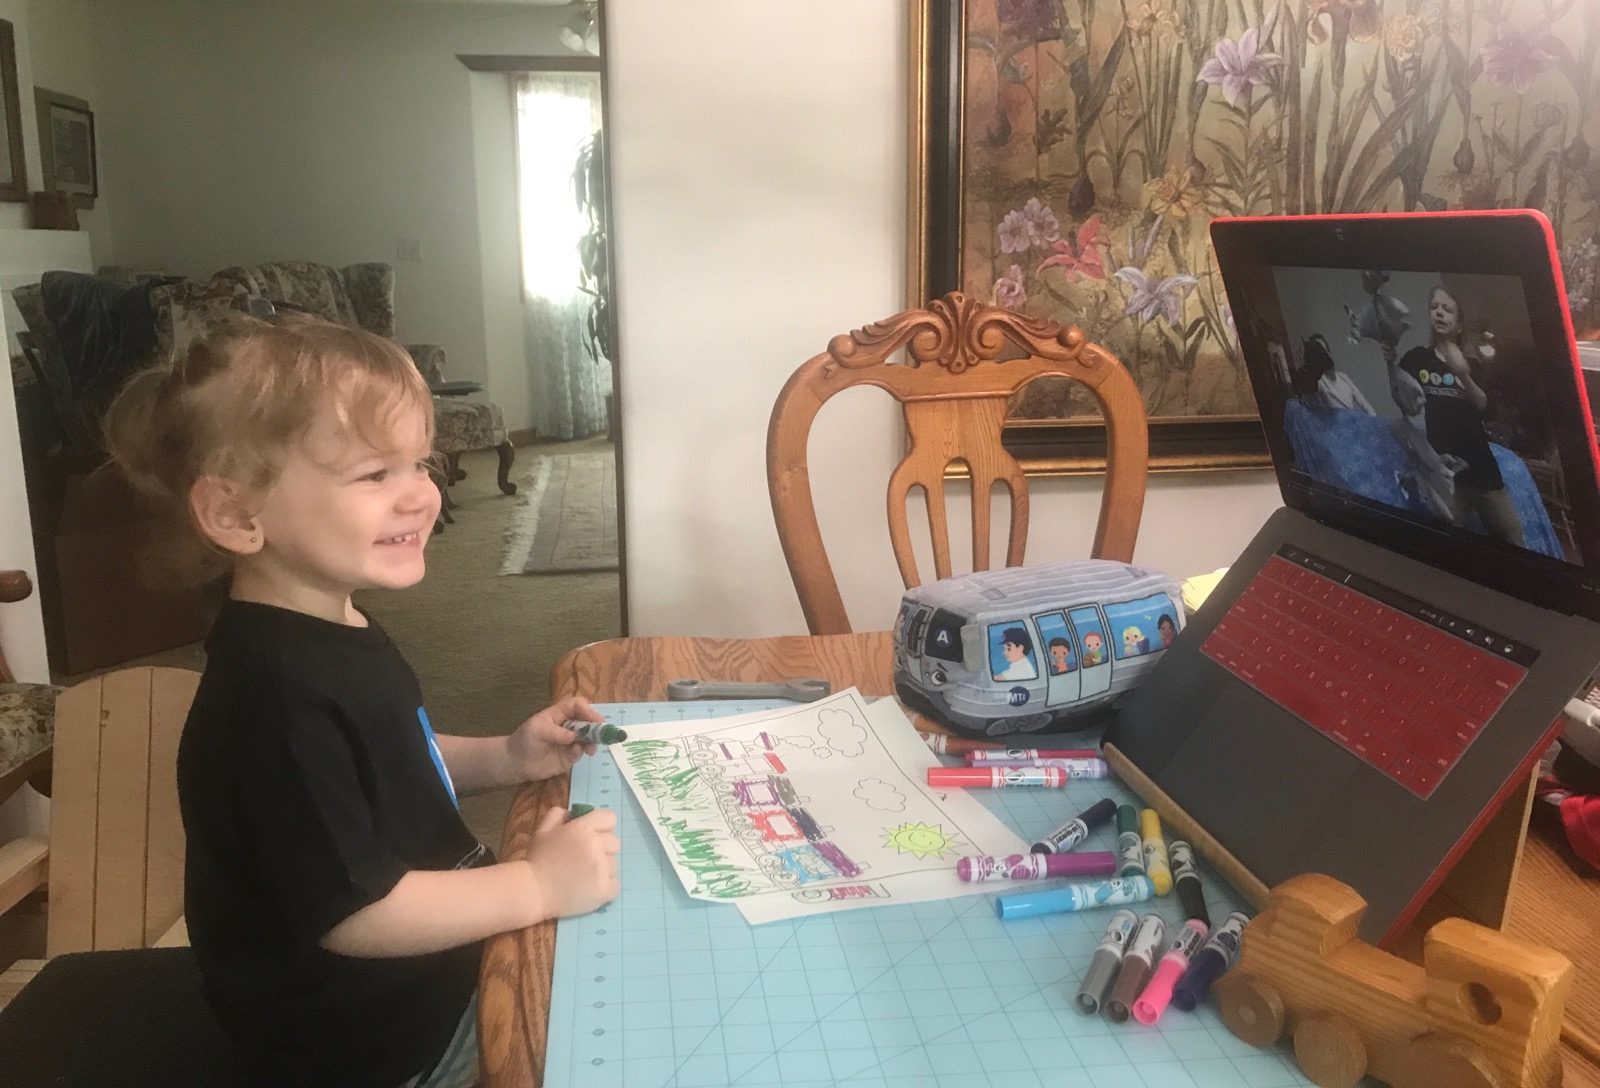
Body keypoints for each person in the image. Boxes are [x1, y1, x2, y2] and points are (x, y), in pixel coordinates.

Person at [102, 314, 622, 1088]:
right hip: (380, 1040)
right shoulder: (272, 699)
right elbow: (358, 915)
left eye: (420, 463)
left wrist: (507, 756)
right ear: (237, 515)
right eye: (374, 475)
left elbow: (388, 757)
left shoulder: (330, 617)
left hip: (427, 969)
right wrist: (536, 885)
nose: (421, 495)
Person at [1383, 285, 1524, 547]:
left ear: (1459, 325)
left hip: (1482, 471)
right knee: (1443, 547)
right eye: (1434, 307)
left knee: (1513, 537)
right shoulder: (1417, 358)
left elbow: (1485, 407)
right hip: (1443, 475)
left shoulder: (1474, 364)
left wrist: (1463, 373)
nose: (1439, 313)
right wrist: (1390, 364)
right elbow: (1400, 398)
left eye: (1447, 309)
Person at [1297, 332, 1375, 414]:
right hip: (1331, 425)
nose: (1326, 355)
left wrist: (1375, 420)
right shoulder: (1318, 382)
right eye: (1321, 351)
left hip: (1352, 423)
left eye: (1326, 350)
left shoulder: (1343, 377)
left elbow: (1362, 401)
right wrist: (1305, 361)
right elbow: (1309, 389)